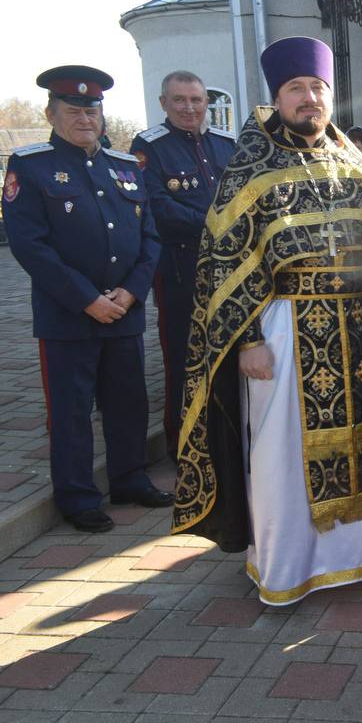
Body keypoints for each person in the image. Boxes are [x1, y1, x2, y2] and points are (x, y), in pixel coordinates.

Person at [171, 37, 362, 603]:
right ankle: (292, 566)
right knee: (281, 452)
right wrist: (247, 340)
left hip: (357, 327)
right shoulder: (249, 169)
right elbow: (226, 264)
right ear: (277, 96)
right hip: (284, 330)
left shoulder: (353, 165)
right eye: (296, 89)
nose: (309, 98)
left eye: (317, 88)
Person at [2, 65, 168, 533]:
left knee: (128, 401)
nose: (84, 118)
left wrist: (132, 292)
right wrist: (87, 298)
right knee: (72, 411)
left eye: (91, 110)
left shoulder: (124, 167)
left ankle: (130, 478)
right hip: (68, 315)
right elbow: (30, 245)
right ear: (51, 113)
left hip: (124, 311)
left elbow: (149, 237)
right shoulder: (30, 166)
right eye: (73, 110)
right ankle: (77, 497)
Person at [130, 70, 237, 458]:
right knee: (184, 359)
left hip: (230, 269)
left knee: (232, 355)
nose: (189, 107)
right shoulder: (149, 147)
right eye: (179, 100)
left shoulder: (227, 145)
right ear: (164, 104)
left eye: (196, 100)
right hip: (181, 271)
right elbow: (157, 206)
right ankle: (185, 446)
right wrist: (217, 226)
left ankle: (229, 443)